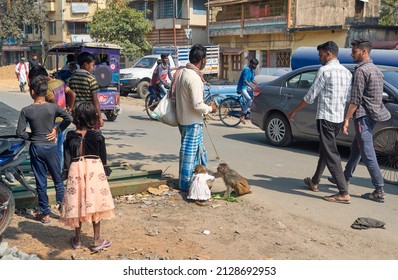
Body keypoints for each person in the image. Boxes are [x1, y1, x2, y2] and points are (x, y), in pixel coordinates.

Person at [288, 41, 352, 204]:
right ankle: (315, 181)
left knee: (331, 153)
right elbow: (348, 98)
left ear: (328, 54)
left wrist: (294, 111)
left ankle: (343, 192)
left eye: (321, 54)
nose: (319, 58)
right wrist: (346, 119)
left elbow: (310, 96)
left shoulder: (324, 71)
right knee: (326, 149)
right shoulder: (346, 73)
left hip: (326, 118)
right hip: (337, 118)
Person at [328, 39, 391, 203]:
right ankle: (344, 178)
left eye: (354, 51)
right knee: (357, 148)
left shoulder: (361, 72)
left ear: (364, 52)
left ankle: (379, 189)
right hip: (373, 115)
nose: (351, 54)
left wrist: (347, 119)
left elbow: (355, 100)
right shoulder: (377, 70)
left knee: (367, 153)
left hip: (363, 116)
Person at [16, 75, 72, 223]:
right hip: (52, 147)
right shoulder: (53, 107)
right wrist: (57, 130)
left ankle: (45, 213)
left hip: (36, 147)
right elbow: (69, 118)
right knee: (57, 179)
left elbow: (20, 133)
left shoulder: (26, 110)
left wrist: (33, 136)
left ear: (32, 92)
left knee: (41, 181)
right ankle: (62, 209)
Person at [60, 102, 115, 252]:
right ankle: (97, 240)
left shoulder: (70, 136)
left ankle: (77, 239)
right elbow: (103, 159)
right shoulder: (98, 136)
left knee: (77, 202)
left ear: (75, 118)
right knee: (95, 203)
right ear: (93, 117)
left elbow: (66, 158)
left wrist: (65, 172)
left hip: (75, 170)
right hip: (94, 172)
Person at [174, 44, 218, 192]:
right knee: (189, 154)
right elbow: (198, 105)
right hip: (191, 121)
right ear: (202, 60)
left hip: (184, 118)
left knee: (199, 152)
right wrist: (211, 108)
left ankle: (200, 179)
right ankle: (186, 184)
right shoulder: (194, 77)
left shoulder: (182, 72)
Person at [28, 65, 76, 171]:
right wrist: (70, 109)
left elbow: (53, 103)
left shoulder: (47, 87)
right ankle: (57, 169)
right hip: (62, 119)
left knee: (54, 146)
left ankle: (56, 170)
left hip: (53, 121)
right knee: (59, 145)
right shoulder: (59, 82)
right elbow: (72, 94)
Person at [68, 51, 104, 128]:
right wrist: (100, 116)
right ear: (86, 65)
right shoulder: (91, 78)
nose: (93, 68)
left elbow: (70, 96)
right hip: (89, 110)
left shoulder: (71, 78)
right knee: (91, 133)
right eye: (92, 65)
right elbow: (95, 99)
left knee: (80, 129)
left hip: (77, 110)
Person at [236, 57, 259, 124]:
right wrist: (252, 87)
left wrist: (258, 85)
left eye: (256, 65)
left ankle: (247, 109)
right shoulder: (246, 69)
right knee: (249, 100)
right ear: (251, 63)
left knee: (255, 95)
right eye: (254, 65)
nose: (255, 66)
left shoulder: (252, 70)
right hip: (242, 87)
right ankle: (242, 115)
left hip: (246, 87)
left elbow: (252, 79)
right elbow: (245, 81)